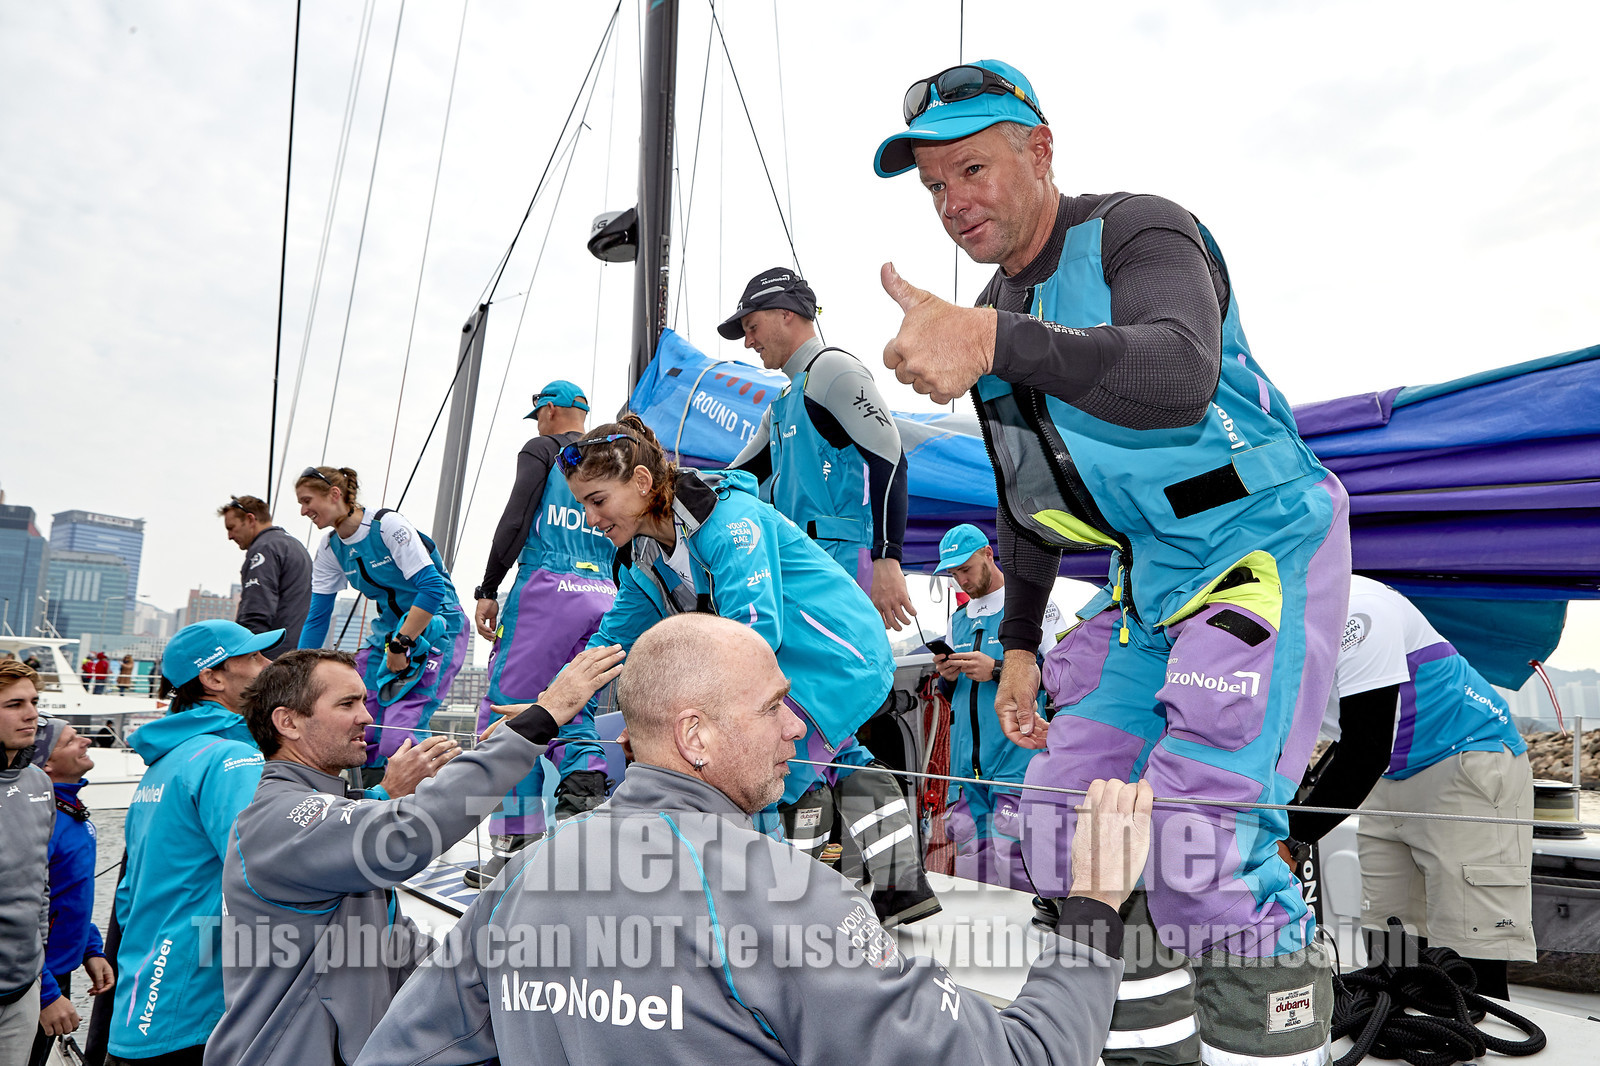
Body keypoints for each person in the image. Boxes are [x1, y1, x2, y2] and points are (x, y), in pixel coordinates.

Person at [874, 59, 1351, 1066]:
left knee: (1200, 844)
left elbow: (1179, 373)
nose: (954, 203)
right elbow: (1027, 504)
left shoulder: (1139, 230)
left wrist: (997, 334)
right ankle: (1148, 1047)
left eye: (973, 169)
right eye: (935, 188)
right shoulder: (990, 325)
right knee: (1058, 821)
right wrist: (1015, 649)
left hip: (1257, 549)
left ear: (1039, 149)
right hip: (1150, 587)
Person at [356, 613, 1153, 1066]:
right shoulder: (786, 896)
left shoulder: (525, 878)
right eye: (775, 706)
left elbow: (408, 1054)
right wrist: (1093, 908)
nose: (798, 726)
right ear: (695, 736)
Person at [560, 415, 939, 927]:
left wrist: (680, 711)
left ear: (643, 484)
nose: (589, 518)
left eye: (597, 501)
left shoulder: (727, 519)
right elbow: (609, 645)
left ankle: (788, 916)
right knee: (839, 753)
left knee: (769, 767)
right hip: (796, 664)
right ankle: (902, 887)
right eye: (582, 504)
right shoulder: (644, 559)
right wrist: (553, 703)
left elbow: (755, 632)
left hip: (836, 655)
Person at [204, 642, 624, 1066]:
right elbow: (407, 835)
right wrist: (541, 719)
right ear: (288, 722)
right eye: (348, 703)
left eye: (365, 701)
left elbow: (394, 946)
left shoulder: (318, 813)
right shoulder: (279, 817)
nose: (367, 717)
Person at [1285, 575, 1534, 999]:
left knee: (1468, 952)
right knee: (1390, 942)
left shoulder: (1358, 608)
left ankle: (1480, 1039)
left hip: (1466, 758)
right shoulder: (1252, 619)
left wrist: (1290, 839)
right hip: (1388, 771)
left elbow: (1365, 749)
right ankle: (1400, 1033)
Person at [104, 620, 281, 1064]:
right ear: (213, 678)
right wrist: (381, 801)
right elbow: (270, 866)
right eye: (255, 657)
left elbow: (127, 898)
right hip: (195, 1008)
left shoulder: (164, 763)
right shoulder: (228, 756)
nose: (270, 665)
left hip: (142, 1001)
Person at [465, 380, 618, 887]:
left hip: (547, 590)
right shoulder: (605, 456)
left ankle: (514, 849)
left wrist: (488, 586)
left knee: (509, 709)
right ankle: (582, 831)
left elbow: (516, 517)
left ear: (548, 411)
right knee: (574, 710)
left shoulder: (543, 448)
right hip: (604, 591)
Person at [719, 268, 916, 630]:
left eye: (752, 327)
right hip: (802, 569)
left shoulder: (834, 369)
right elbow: (732, 482)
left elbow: (890, 457)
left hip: (844, 568)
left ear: (785, 314)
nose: (748, 342)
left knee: (850, 680)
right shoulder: (781, 403)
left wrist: (888, 558)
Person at [295, 466, 467, 780]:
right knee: (362, 726)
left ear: (335, 495)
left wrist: (400, 644)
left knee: (396, 736)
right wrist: (295, 671)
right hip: (388, 629)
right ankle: (375, 802)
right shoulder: (330, 547)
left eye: (307, 501)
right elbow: (318, 617)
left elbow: (432, 589)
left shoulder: (387, 525)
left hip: (436, 624)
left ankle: (443, 793)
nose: (303, 510)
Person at [929, 523, 1070, 890]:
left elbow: (1062, 676)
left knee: (1015, 869)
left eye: (965, 568)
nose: (960, 579)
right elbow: (953, 693)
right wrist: (948, 676)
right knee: (969, 870)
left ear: (989, 554)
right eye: (953, 572)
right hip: (964, 770)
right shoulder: (957, 620)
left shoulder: (1035, 607)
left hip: (1014, 762)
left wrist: (994, 670)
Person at [27, 718, 115, 1066]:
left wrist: (90, 947)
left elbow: (67, 895)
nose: (87, 741)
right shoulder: (42, 820)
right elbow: (18, 909)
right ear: (46, 763)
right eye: (71, 740)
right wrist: (46, 994)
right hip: (31, 980)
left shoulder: (72, 813)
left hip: (54, 973)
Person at [0, 660, 54, 1066]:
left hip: (22, 988)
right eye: (14, 704)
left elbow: (40, 882)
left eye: (33, 702)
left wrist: (39, 968)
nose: (32, 713)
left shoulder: (40, 783)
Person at [220, 494, 314, 659]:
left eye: (231, 527)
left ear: (250, 519)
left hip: (270, 658)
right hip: (296, 655)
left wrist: (241, 656)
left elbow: (257, 609)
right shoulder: (294, 546)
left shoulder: (264, 549)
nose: (229, 536)